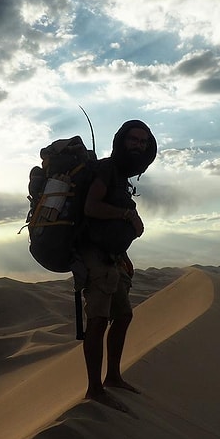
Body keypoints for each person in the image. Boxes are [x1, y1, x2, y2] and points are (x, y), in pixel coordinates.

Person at [78, 120, 157, 411]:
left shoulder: (121, 176)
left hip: (113, 258)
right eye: (134, 139)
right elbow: (91, 208)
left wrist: (122, 253)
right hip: (94, 256)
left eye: (144, 142)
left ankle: (112, 377)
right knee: (98, 321)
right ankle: (94, 389)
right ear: (121, 140)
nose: (139, 145)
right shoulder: (105, 170)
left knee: (122, 316)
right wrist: (126, 215)